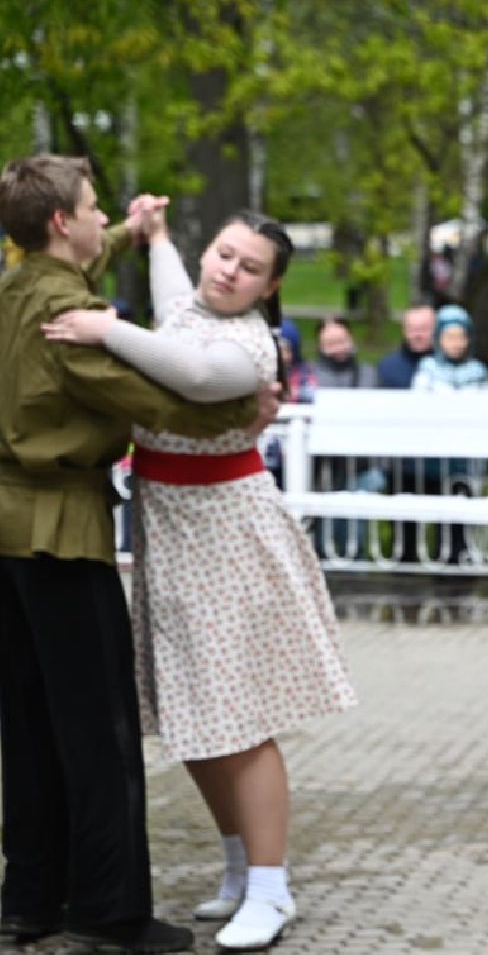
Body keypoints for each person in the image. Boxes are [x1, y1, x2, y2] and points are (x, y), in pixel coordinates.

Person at [42, 205, 358, 951]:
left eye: (248, 268)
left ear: (269, 287)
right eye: (222, 253)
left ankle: (272, 888)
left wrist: (102, 329)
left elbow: (185, 370)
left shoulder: (249, 350)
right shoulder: (189, 308)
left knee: (239, 720)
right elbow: (171, 300)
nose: (227, 271)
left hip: (227, 532)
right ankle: (240, 866)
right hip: (173, 528)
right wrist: (153, 238)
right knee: (195, 717)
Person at [0, 157, 266, 954]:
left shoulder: (14, 285)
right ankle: (107, 913)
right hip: (61, 532)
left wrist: (133, 229)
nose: (97, 217)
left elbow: (81, 252)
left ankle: (29, 901)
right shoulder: (64, 314)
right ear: (59, 223)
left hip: (6, 538)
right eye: (92, 207)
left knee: (28, 729)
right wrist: (242, 410)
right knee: (97, 732)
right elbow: (149, 398)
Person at [411, 303, 488, 392]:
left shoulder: (478, 371)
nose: (456, 343)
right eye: (450, 337)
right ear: (439, 339)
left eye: (461, 337)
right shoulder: (428, 369)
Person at [377, 304, 436, 388]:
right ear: (404, 330)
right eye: (412, 329)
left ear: (435, 329)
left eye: (424, 328)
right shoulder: (387, 368)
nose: (418, 335)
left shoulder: (449, 367)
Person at [311, 316, 378, 389]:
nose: (338, 348)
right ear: (320, 347)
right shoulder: (308, 377)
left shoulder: (370, 374)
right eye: (331, 344)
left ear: (352, 340)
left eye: (342, 341)